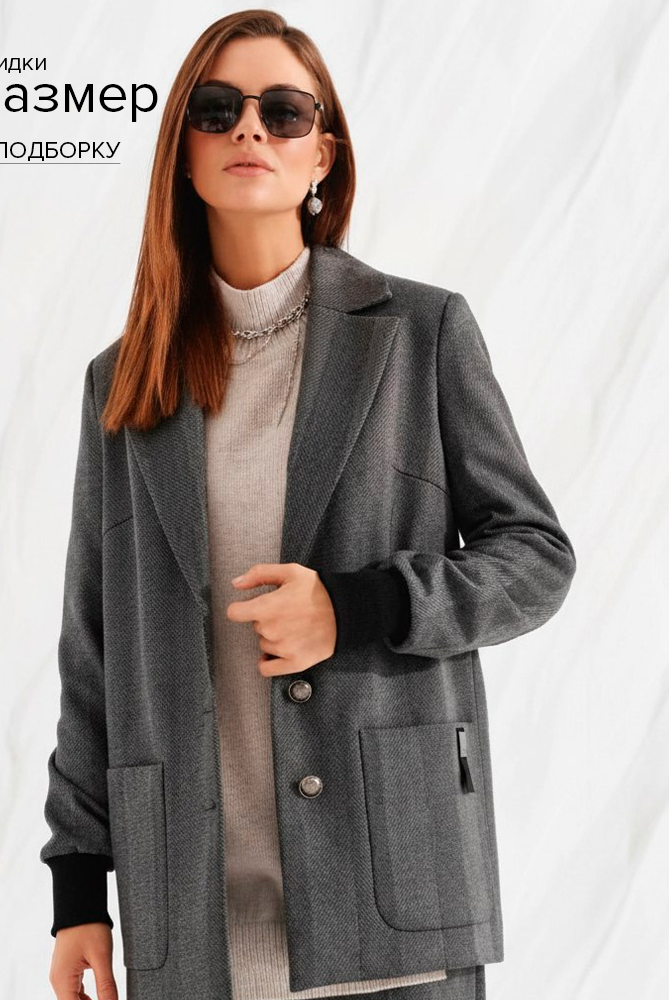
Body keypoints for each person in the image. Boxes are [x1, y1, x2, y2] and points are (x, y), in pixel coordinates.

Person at [41, 10, 575, 1000]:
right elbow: (94, 646)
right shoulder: (123, 383)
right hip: (192, 917)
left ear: (322, 152)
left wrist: (361, 606)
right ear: (182, 153)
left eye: (283, 111)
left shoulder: (419, 333)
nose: (250, 128)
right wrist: (78, 889)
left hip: (390, 897)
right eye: (217, 109)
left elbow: (535, 557)